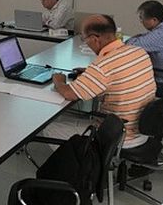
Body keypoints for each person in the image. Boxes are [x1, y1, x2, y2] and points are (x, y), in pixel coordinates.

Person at [47, 14, 156, 149]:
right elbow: (117, 74)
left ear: (94, 39)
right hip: (142, 130)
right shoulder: (139, 52)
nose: (86, 43)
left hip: (117, 136)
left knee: (50, 128)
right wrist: (89, 74)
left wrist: (59, 81)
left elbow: (70, 94)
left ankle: (83, 161)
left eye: (84, 39)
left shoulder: (103, 66)